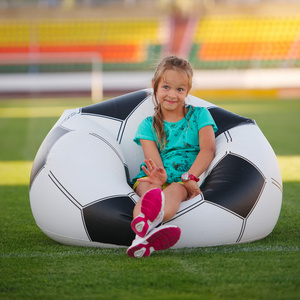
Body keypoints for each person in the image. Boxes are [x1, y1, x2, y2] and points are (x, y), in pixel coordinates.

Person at [127, 56, 218, 258]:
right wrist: (157, 181)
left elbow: (208, 150)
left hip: (183, 178)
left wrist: (189, 178)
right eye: (166, 87)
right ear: (155, 86)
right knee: (149, 191)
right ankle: (145, 233)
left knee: (175, 191)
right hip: (154, 175)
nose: (172, 95)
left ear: (188, 90)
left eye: (180, 89)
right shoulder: (147, 125)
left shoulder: (200, 115)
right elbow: (154, 164)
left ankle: (141, 237)